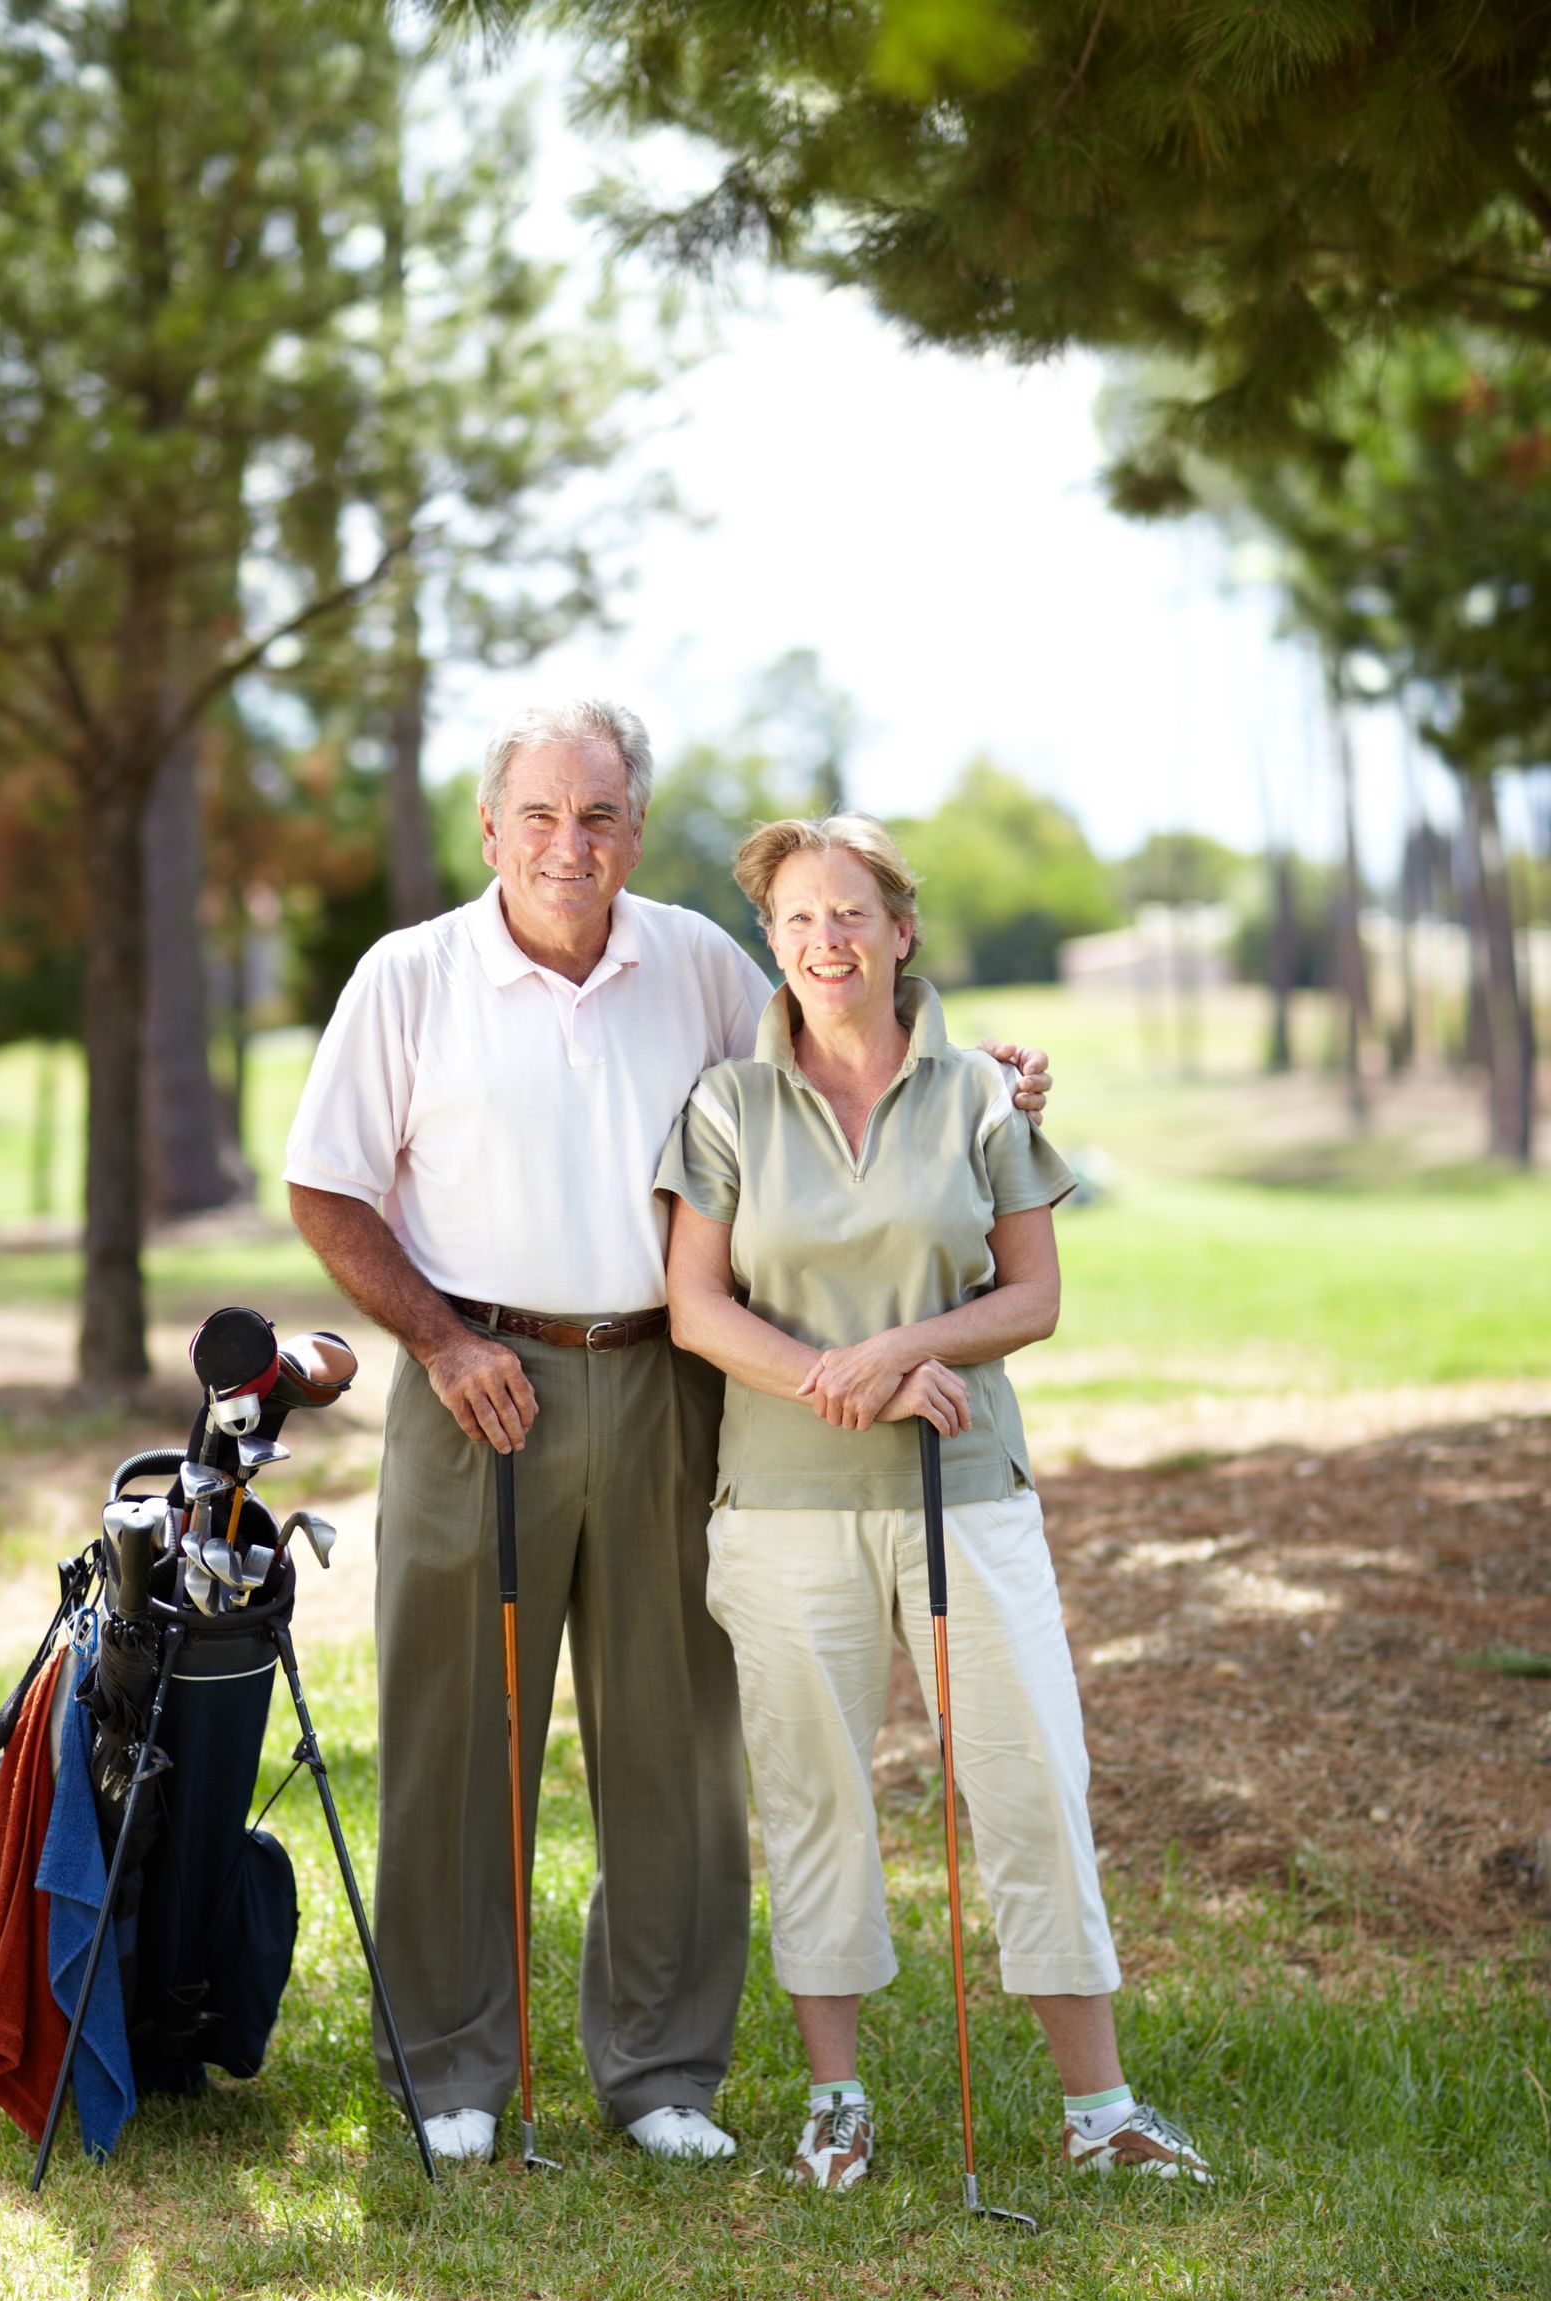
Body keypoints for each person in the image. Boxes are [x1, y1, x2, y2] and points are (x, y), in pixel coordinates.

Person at [283, 707, 1053, 2164]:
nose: (570, 847)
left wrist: (984, 1084)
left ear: (635, 827)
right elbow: (328, 1188)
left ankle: (663, 2076)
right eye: (542, 817)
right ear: (492, 828)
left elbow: (839, 1039)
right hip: (475, 1384)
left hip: (669, 1380)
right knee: (458, 1728)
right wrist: (442, 1343)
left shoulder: (699, 959)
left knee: (677, 1734)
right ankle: (453, 2067)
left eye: (600, 818)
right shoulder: (412, 975)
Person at [659, 813, 1210, 2193]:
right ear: (769, 943)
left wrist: (905, 1354)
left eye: (850, 913)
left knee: (1032, 1775)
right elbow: (696, 1306)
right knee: (814, 1795)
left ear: (902, 931)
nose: (823, 941)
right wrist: (844, 1381)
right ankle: (835, 2104)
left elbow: (1033, 1296)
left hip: (968, 1495)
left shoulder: (984, 1095)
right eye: (794, 918)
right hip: (780, 1504)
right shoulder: (728, 1102)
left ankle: (1103, 2110)